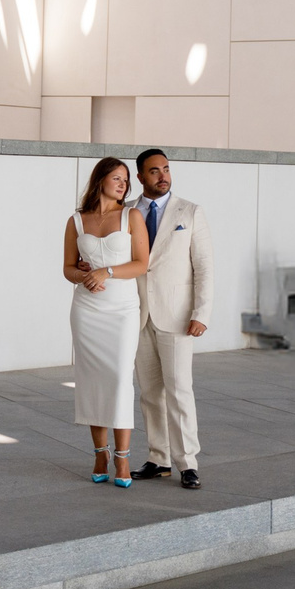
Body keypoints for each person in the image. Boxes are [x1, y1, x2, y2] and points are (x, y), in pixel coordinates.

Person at [62, 156, 150, 488]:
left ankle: (122, 457)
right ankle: (100, 453)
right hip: (87, 310)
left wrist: (106, 271)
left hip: (122, 309)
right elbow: (68, 268)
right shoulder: (76, 220)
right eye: (117, 178)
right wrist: (82, 276)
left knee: (119, 379)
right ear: (100, 180)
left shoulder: (131, 216)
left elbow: (141, 263)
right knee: (92, 380)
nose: (123, 184)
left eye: (126, 180)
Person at [127, 148, 212, 489]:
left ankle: (188, 463)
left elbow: (204, 266)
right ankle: (158, 459)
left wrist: (201, 313)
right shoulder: (126, 212)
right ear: (140, 177)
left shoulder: (189, 211)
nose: (163, 176)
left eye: (166, 169)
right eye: (154, 171)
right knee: (150, 393)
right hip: (137, 314)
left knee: (179, 390)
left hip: (177, 316)